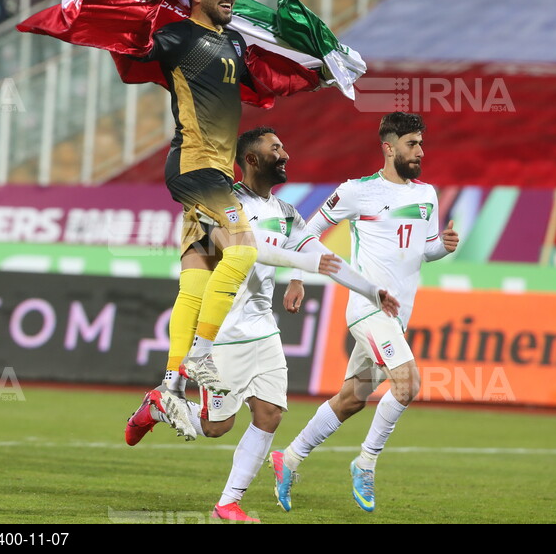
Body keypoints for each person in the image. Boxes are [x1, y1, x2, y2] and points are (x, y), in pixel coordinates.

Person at [125, 127, 400, 522]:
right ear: (251, 159)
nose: (286, 154)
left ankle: (227, 503)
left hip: (263, 332)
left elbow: (321, 254)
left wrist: (372, 290)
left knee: (270, 414)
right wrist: (303, 262)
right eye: (276, 149)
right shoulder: (221, 204)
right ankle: (159, 407)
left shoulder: (287, 213)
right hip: (222, 335)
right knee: (216, 426)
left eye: (284, 146)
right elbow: (250, 250)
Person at [270, 111, 459, 513]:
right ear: (389, 148)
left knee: (353, 398)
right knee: (407, 385)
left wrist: (444, 245)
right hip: (367, 308)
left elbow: (424, 251)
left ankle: (291, 456)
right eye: (412, 144)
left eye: (422, 143)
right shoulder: (356, 192)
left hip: (398, 315)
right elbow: (306, 231)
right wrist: (297, 278)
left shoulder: (426, 195)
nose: (421, 151)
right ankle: (365, 462)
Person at [130, 0, 264, 408]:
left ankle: (169, 387)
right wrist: (141, 0)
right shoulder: (177, 36)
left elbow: (262, 83)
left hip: (215, 172)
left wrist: (318, 68)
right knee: (244, 246)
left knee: (196, 281)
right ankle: (201, 357)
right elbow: (133, 48)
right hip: (194, 166)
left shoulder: (236, 42)